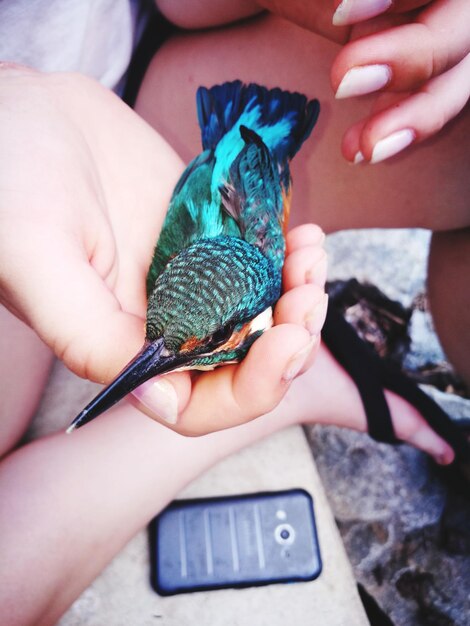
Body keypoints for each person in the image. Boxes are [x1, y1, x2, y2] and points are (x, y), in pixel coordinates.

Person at [0, 1, 468, 623]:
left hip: (162, 62)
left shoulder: (257, 266)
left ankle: (296, 374)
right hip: (45, 146)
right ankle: (298, 384)